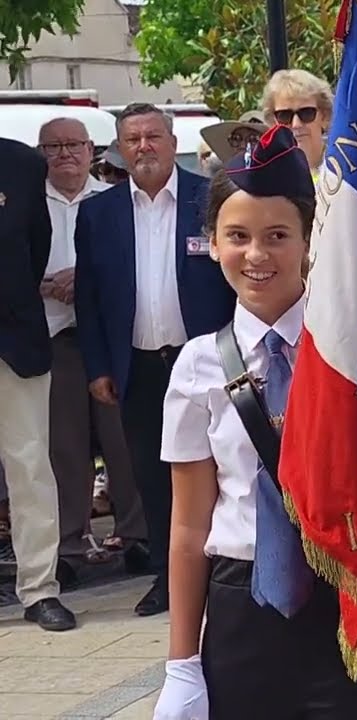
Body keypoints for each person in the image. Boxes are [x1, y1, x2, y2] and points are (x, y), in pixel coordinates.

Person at [152, 125, 357, 720]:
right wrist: (181, 664)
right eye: (238, 236)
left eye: (277, 235)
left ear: (309, 240)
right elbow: (189, 527)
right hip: (242, 611)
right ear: (213, 243)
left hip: (352, 605)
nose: (257, 255)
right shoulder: (198, 365)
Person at [75, 103, 237, 617]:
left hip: (208, 361)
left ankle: (227, 575)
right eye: (133, 139)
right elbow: (89, 299)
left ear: (172, 142)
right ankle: (171, 580)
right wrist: (99, 367)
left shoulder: (209, 198)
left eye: (153, 136)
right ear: (119, 149)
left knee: (223, 468)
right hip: (139, 368)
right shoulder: (98, 214)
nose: (143, 146)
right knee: (153, 476)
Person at [37, 117, 142, 571]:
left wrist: (84, 277)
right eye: (53, 146)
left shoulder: (113, 200)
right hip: (54, 335)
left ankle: (137, 537)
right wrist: (42, 283)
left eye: (74, 145)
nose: (65, 154)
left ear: (91, 150)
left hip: (110, 335)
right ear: (41, 154)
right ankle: (70, 546)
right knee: (65, 447)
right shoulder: (28, 202)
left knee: (124, 440)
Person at [0, 136, 77, 631]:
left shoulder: (23, 164)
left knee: (29, 466)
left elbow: (35, 247)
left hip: (15, 336)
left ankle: (39, 588)